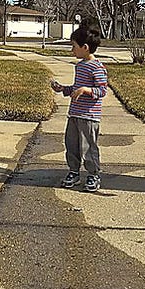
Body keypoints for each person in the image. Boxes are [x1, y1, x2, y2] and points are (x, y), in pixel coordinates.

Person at [51, 25, 108, 192]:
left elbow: (102, 90)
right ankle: (73, 172)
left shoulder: (97, 67)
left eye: (74, 46)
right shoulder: (80, 66)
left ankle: (93, 174)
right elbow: (76, 88)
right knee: (72, 145)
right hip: (74, 114)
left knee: (89, 147)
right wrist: (64, 89)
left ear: (85, 48)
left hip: (89, 116)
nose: (71, 50)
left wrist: (85, 90)